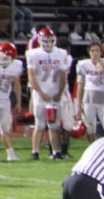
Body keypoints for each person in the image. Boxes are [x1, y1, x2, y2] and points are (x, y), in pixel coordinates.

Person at [26, 28, 73, 160]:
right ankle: (35, 152)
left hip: (55, 92)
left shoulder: (61, 53)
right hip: (40, 93)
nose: (48, 43)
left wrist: (59, 92)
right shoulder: (33, 54)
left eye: (50, 40)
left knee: (54, 125)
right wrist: (41, 92)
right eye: (45, 40)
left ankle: (56, 152)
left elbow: (64, 76)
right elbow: (32, 77)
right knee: (39, 124)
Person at [76, 42, 104, 141]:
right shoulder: (83, 64)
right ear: (89, 52)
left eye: (97, 50)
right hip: (88, 98)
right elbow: (80, 85)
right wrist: (78, 104)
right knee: (90, 127)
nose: (95, 53)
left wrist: (103, 70)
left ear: (101, 52)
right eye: (92, 51)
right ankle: (93, 148)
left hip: (103, 97)